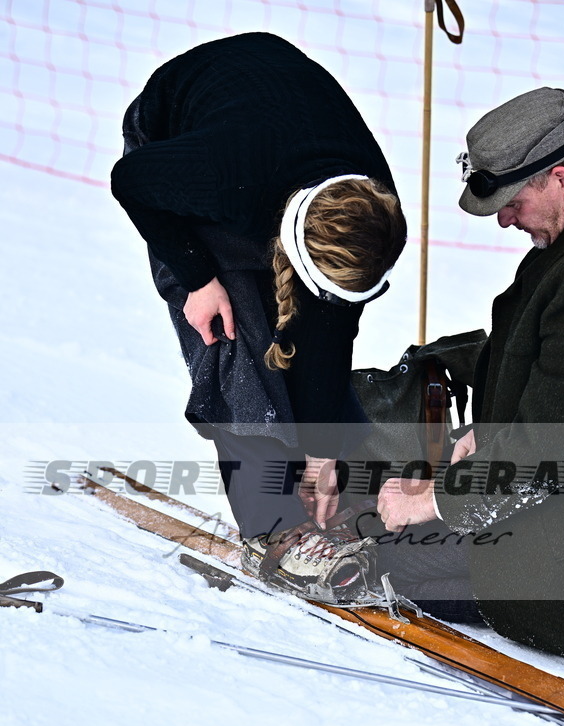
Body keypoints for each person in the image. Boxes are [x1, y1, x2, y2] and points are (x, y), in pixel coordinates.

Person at [374, 86, 564, 674]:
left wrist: (433, 502)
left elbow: (544, 455)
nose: (507, 219)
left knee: (505, 587)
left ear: (563, 179)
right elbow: (562, 362)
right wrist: (484, 431)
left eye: (513, 201)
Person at [111, 32, 406, 602]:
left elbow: (331, 326)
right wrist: (197, 278)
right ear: (291, 246)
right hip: (177, 141)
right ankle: (271, 527)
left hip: (278, 131)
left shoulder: (375, 211)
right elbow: (134, 182)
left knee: (306, 334)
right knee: (236, 337)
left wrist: (322, 452)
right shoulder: (220, 175)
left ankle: (334, 485)